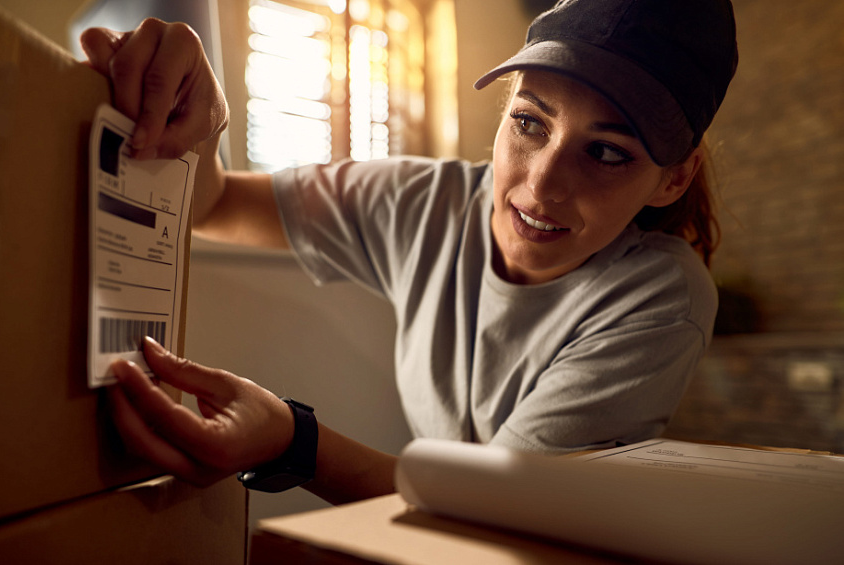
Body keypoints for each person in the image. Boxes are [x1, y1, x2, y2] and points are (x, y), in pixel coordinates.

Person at [79, 0, 738, 505]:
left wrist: (293, 440)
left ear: (672, 177)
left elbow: (495, 511)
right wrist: (206, 108)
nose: (541, 185)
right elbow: (216, 206)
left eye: (606, 152)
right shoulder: (423, 202)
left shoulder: (659, 297)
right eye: (531, 123)